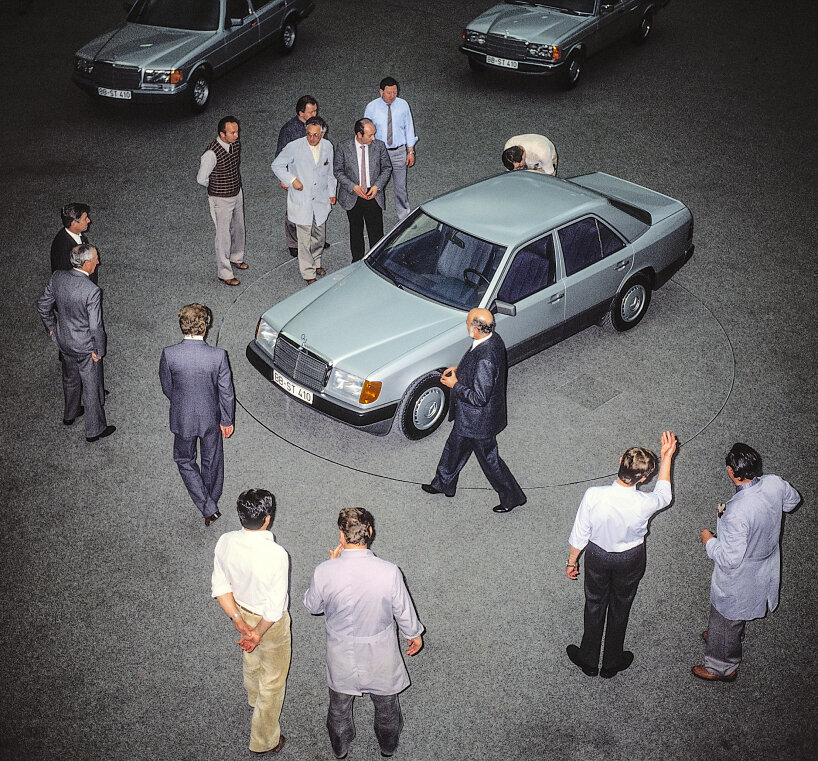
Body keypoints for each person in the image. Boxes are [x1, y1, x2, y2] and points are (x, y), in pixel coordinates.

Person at [304, 508, 423, 760]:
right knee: (387, 706)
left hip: (341, 654)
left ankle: (340, 747)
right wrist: (414, 633)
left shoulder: (324, 570)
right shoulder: (389, 571)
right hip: (380, 653)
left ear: (341, 536)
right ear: (369, 532)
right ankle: (388, 747)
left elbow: (313, 606)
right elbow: (403, 610)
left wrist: (332, 562)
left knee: (338, 708)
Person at [564, 431, 678, 678]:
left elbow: (580, 533)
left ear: (619, 461)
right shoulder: (645, 502)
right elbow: (665, 495)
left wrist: (571, 562)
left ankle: (588, 659)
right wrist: (667, 457)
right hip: (631, 558)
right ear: (645, 478)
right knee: (621, 605)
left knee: (594, 603)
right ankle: (613, 661)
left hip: (597, 556)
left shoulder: (594, 495)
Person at [693, 443, 801, 682]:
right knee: (733, 615)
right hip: (765, 562)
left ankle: (722, 667)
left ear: (732, 472)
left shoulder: (737, 511)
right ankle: (721, 638)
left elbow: (728, 559)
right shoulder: (775, 482)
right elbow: (792, 502)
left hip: (741, 575)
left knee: (726, 613)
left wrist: (709, 540)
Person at [422, 308, 526, 513]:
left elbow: (479, 397)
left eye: (468, 322)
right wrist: (460, 372)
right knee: (454, 449)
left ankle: (512, 497)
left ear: (476, 328)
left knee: (490, 461)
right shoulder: (492, 339)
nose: (466, 324)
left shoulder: (485, 357)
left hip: (479, 422)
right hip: (469, 418)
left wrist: (455, 385)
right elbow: (478, 372)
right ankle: (443, 484)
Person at [212, 489, 290, 755]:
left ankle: (252, 697)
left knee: (251, 659)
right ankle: (264, 740)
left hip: (241, 611)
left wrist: (238, 621)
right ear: (267, 519)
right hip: (269, 624)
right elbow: (275, 607)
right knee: (274, 679)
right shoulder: (276, 554)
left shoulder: (225, 541)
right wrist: (257, 633)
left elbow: (220, 586)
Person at [159, 303, 235, 526]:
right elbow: (226, 392)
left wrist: (181, 402)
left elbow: (167, 386)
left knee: (184, 459)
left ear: (182, 325)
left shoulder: (169, 354)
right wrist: (227, 419)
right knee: (212, 461)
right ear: (205, 327)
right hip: (211, 417)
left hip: (181, 417)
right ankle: (210, 500)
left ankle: (207, 506)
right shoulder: (218, 356)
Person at [36, 244, 114, 442]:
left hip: (64, 341)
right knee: (90, 387)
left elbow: (43, 306)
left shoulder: (58, 277)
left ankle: (70, 414)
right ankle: (94, 430)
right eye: (96, 258)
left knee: (70, 379)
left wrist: (53, 330)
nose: (99, 261)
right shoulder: (92, 291)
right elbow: (96, 327)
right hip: (85, 348)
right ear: (86, 263)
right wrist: (99, 350)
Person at [272, 116, 336, 284]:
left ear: (322, 134)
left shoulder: (328, 146)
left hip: (320, 200)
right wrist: (292, 180)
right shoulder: (294, 147)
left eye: (316, 135)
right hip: (302, 199)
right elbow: (277, 165)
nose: (312, 138)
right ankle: (308, 273)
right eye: (309, 134)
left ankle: (317, 263)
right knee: (304, 237)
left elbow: (330, 173)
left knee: (319, 236)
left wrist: (332, 192)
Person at [197, 115, 247, 286]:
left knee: (239, 227)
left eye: (237, 131)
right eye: (232, 133)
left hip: (236, 192)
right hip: (220, 198)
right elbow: (201, 178)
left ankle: (236, 257)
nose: (236, 135)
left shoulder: (235, 144)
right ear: (222, 134)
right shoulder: (211, 153)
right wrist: (218, 187)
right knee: (223, 236)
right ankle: (224, 272)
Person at [334, 118, 392, 262]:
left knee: (376, 232)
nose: (373, 138)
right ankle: (357, 261)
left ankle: (377, 260)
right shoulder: (343, 147)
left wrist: (377, 186)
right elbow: (338, 171)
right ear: (359, 135)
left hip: (373, 194)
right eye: (370, 135)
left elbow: (387, 168)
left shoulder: (379, 146)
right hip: (353, 196)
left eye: (374, 134)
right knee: (355, 231)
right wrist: (352, 186)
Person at [363, 76, 417, 221]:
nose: (392, 96)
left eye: (394, 92)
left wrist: (410, 151)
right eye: (388, 93)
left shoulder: (403, 105)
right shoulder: (371, 107)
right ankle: (374, 216)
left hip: (398, 151)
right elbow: (365, 132)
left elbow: (409, 128)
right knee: (377, 186)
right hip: (380, 153)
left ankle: (404, 217)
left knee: (400, 188)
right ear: (381, 92)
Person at [275, 94, 320, 258]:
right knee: (294, 210)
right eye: (311, 112)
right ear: (301, 113)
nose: (315, 114)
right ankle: (293, 243)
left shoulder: (318, 126)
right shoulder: (288, 130)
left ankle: (315, 239)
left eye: (315, 111)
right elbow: (280, 155)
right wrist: (285, 178)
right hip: (296, 177)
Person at [50, 202, 98, 285]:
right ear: (73, 223)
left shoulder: (74, 235)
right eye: (85, 218)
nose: (89, 220)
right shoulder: (63, 250)